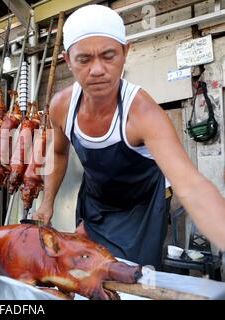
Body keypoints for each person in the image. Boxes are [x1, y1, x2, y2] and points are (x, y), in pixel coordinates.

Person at [33, 4, 225, 269]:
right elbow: (58, 152)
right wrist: (47, 203)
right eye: (84, 59)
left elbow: (191, 186)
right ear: (68, 60)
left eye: (109, 56)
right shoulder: (61, 106)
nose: (97, 69)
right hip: (96, 204)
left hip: (142, 210)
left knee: (131, 277)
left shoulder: (143, 113)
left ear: (125, 52)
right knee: (86, 273)